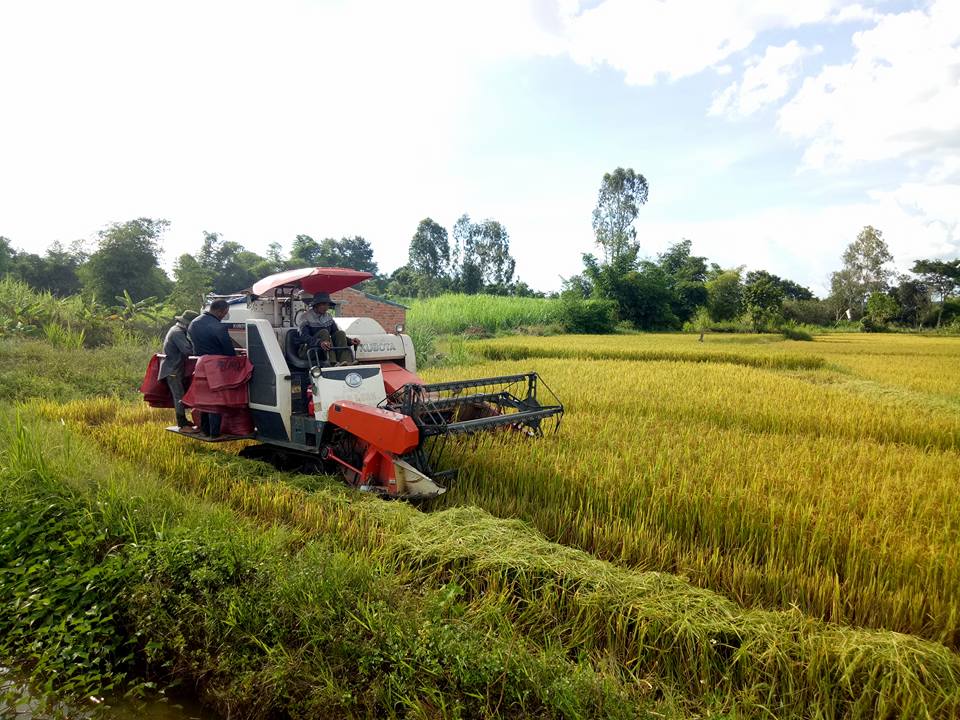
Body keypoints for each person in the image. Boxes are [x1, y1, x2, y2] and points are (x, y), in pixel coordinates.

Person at [187, 299, 236, 437]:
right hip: (216, 368)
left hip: (199, 365)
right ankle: (214, 433)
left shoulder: (194, 323)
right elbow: (229, 351)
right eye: (225, 313)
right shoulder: (218, 327)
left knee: (203, 400)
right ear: (220, 311)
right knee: (216, 401)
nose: (224, 316)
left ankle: (205, 430)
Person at [159, 310, 200, 432]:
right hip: (173, 370)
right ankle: (183, 425)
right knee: (179, 396)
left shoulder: (176, 330)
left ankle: (184, 421)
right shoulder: (178, 333)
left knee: (180, 395)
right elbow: (188, 350)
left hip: (174, 368)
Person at [297, 293, 359, 365]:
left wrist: (350, 341)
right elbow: (303, 337)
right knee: (324, 332)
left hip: (322, 351)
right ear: (316, 305)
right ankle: (332, 363)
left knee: (340, 333)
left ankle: (346, 362)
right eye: (323, 304)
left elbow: (335, 334)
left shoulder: (328, 316)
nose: (326, 307)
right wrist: (319, 343)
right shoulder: (305, 317)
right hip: (308, 351)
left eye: (327, 304)